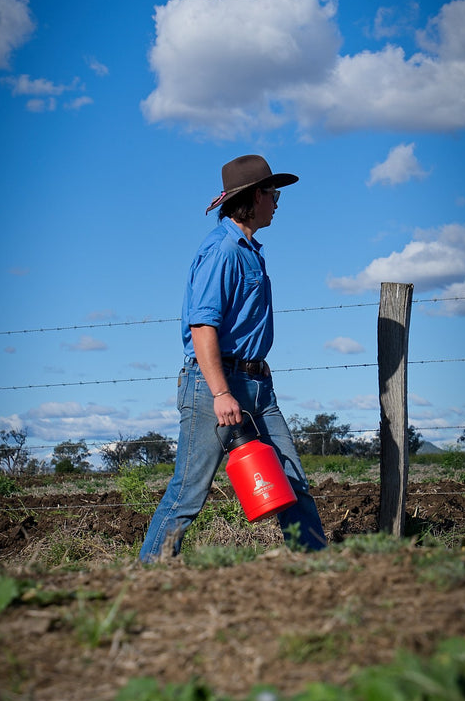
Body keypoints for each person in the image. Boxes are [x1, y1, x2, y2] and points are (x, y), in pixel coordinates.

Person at [139, 155, 326, 561]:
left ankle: (317, 568)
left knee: (292, 481)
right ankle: (148, 576)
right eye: (274, 194)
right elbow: (203, 326)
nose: (277, 202)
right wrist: (222, 391)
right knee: (189, 491)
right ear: (255, 197)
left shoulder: (249, 249)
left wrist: (253, 369)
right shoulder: (224, 250)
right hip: (217, 385)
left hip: (256, 385)